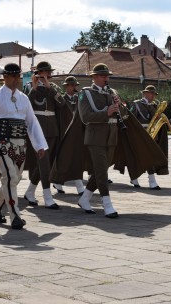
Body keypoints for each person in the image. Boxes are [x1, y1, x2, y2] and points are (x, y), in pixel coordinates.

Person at [0, 63, 47, 229]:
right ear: (5, 77)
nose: (17, 79)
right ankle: (15, 215)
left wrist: (39, 144)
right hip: (2, 143)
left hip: (20, 144)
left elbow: (32, 122)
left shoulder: (23, 98)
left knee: (13, 179)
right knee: (9, 177)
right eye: (14, 76)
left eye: (18, 76)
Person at [77, 63, 121, 218]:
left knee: (100, 171)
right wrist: (105, 112)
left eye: (107, 76)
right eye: (103, 76)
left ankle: (85, 198)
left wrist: (121, 107)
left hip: (111, 137)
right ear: (94, 77)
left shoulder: (112, 92)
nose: (106, 78)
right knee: (102, 171)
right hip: (95, 137)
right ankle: (107, 204)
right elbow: (85, 117)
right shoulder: (86, 93)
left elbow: (122, 115)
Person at [23, 61, 65, 209]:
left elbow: (61, 103)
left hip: (52, 128)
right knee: (43, 161)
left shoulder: (53, 87)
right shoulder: (29, 87)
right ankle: (47, 196)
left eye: (48, 73)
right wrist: (34, 89)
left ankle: (30, 192)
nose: (46, 75)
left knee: (45, 162)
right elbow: (25, 106)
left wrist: (49, 88)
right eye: (43, 73)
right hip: (37, 128)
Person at [52, 76, 86, 195]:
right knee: (63, 159)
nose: (73, 87)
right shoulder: (61, 99)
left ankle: (78, 184)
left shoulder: (79, 99)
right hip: (64, 133)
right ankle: (58, 181)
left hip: (77, 134)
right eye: (71, 85)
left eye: (74, 85)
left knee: (77, 158)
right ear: (66, 87)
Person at [128, 85, 163, 190]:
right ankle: (151, 180)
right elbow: (130, 119)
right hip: (140, 134)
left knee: (148, 156)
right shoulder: (136, 104)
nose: (153, 96)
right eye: (151, 93)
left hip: (152, 134)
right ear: (145, 94)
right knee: (145, 157)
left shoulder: (155, 105)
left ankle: (135, 177)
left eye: (154, 94)